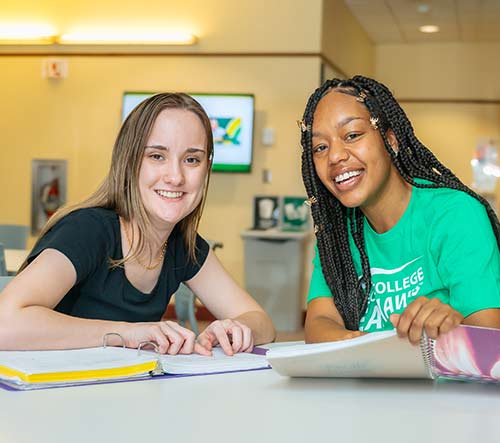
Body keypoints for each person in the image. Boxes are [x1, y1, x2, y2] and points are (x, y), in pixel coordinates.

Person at [0, 93, 275, 354]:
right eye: (157, 156)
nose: (175, 176)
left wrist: (237, 328)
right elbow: (5, 324)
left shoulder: (182, 245)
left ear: (206, 169)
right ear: (129, 161)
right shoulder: (88, 230)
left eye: (192, 159)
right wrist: (129, 334)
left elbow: (261, 321)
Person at [300, 75, 500, 345]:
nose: (335, 156)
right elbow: (318, 323)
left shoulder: (456, 214)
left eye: (352, 135)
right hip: (367, 386)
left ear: (390, 140)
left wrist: (453, 327)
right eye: (320, 147)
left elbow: (489, 338)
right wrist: (373, 351)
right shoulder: (335, 233)